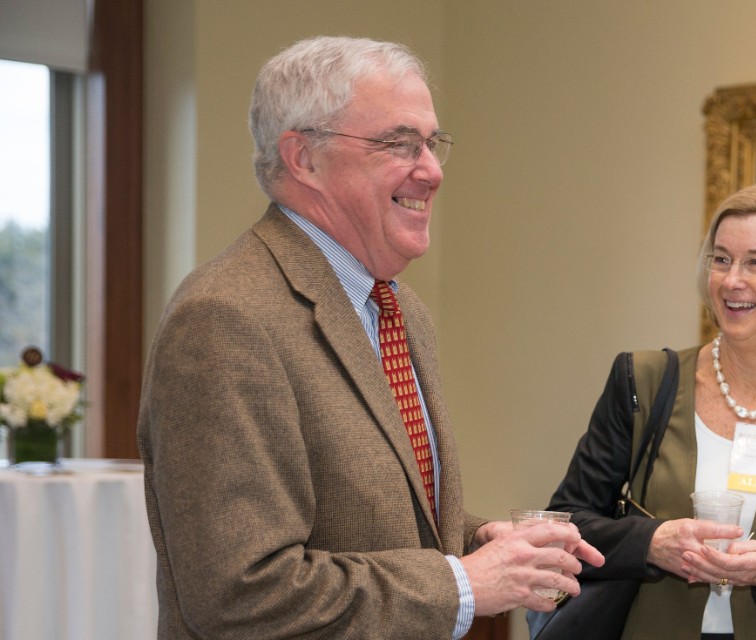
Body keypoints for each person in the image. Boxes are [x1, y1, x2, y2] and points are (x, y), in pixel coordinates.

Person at [136, 36, 603, 639]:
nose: (431, 170)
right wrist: (463, 584)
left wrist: (479, 541)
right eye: (399, 144)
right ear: (303, 158)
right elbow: (241, 594)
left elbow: (373, 519)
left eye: (432, 144)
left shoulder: (399, 310)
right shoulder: (225, 319)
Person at [547, 182, 756, 640]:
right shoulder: (642, 380)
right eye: (721, 259)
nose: (730, 280)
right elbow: (565, 521)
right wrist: (651, 543)